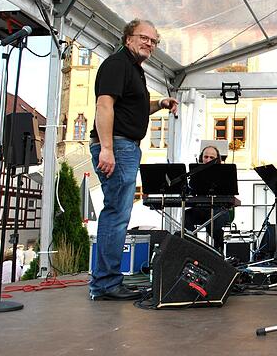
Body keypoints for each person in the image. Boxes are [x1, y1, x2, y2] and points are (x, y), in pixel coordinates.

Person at [89, 19, 179, 301]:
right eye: (144, 38)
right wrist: (106, 148)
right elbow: (104, 105)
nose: (149, 44)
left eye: (154, 41)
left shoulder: (135, 70)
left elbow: (134, 109)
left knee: (118, 213)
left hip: (125, 146)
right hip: (117, 145)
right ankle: (105, 283)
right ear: (128, 37)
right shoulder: (117, 64)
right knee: (116, 214)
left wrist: (160, 104)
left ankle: (107, 281)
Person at [184, 145, 237, 251]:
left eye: (211, 158)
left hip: (220, 210)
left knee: (212, 224)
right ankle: (195, 247)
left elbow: (231, 194)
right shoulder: (196, 173)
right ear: (201, 158)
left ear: (217, 160)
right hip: (202, 209)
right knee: (187, 216)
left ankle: (219, 251)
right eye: (206, 157)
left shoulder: (225, 173)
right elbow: (191, 192)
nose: (208, 160)